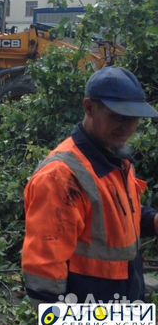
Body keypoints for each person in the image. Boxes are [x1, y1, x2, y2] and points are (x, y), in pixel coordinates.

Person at [22, 67, 158, 306]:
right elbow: (43, 278)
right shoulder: (62, 177)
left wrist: (153, 221)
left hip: (121, 304)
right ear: (89, 107)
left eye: (134, 118)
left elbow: (117, 220)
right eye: (118, 116)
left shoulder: (117, 159)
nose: (127, 127)